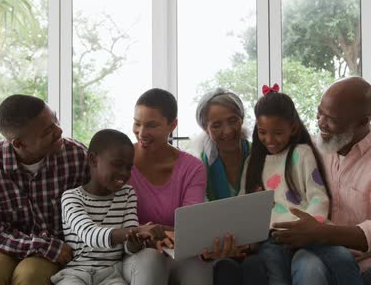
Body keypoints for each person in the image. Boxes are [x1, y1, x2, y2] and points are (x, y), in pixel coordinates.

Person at [271, 77, 371, 285]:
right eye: (319, 112)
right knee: (310, 270)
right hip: (317, 255)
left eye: (331, 118)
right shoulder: (307, 151)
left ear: (363, 120)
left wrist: (324, 232)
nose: (321, 122)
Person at [240, 85, 363, 285]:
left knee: (342, 258)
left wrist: (310, 227)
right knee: (277, 278)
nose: (269, 140)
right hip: (272, 238)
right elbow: (243, 203)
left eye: (278, 133)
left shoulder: (302, 153)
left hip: (308, 231)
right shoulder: (252, 162)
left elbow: (318, 195)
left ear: (293, 128)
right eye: (263, 132)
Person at [0, 94, 89, 284]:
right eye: (48, 131)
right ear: (19, 144)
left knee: (30, 275)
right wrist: (44, 246)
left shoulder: (77, 156)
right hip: (7, 247)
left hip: (57, 248)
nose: (59, 130)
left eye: (55, 120)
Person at [51, 129, 168, 285]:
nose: (124, 173)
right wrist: (137, 230)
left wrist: (136, 241)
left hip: (112, 273)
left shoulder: (127, 194)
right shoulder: (71, 197)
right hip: (76, 272)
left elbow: (129, 245)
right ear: (93, 160)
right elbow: (89, 235)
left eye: (128, 167)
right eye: (117, 165)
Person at [124, 88, 212, 285]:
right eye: (137, 124)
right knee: (151, 260)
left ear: (172, 125)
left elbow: (189, 227)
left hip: (178, 251)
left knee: (199, 267)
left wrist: (155, 231)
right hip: (136, 252)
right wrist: (154, 234)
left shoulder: (192, 168)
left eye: (152, 125)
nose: (142, 133)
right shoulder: (121, 160)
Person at [192, 88, 267, 285]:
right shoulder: (199, 167)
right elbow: (200, 219)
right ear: (206, 128)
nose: (227, 131)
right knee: (224, 268)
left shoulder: (260, 156)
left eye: (233, 120)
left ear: (241, 119)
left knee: (255, 267)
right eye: (216, 125)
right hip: (218, 251)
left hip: (257, 247)